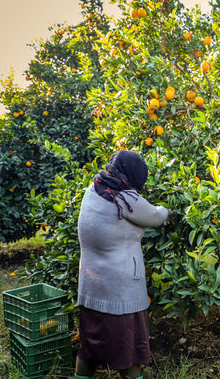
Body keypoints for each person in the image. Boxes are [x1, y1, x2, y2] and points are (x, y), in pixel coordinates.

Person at [75, 150, 169, 379]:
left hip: (91, 287)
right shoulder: (125, 197)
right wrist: (170, 212)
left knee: (89, 346)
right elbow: (156, 217)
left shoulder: (95, 188)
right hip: (119, 292)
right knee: (128, 351)